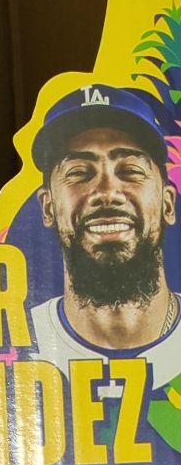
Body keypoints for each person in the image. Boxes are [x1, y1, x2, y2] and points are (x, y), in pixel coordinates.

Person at [30, 83, 181, 382]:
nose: (107, 193)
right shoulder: (17, 348)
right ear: (48, 207)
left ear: (167, 204)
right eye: (79, 173)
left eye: (130, 171)